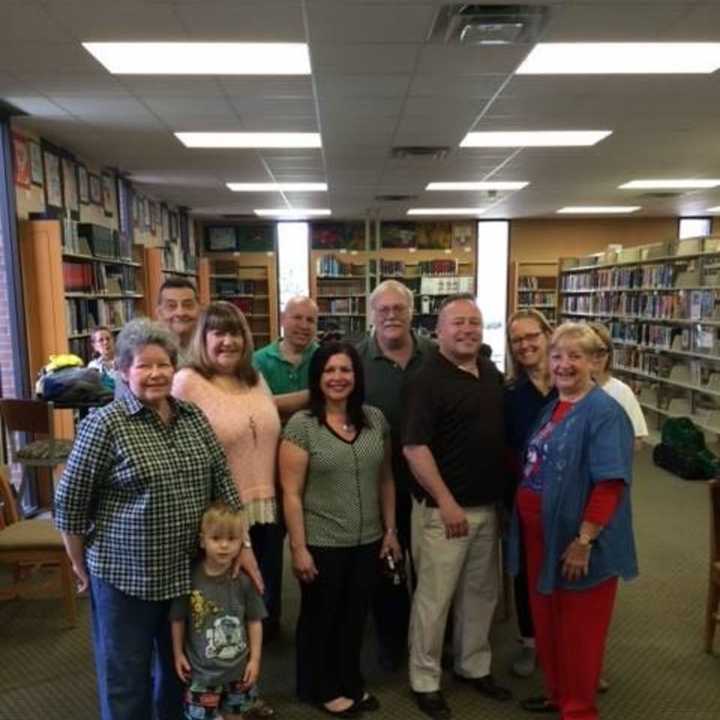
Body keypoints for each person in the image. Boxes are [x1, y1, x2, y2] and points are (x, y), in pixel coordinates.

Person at [54, 318, 259, 720]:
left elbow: (225, 486)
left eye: (163, 364)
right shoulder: (105, 425)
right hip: (125, 578)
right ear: (124, 370)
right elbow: (70, 506)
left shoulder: (193, 418)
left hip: (186, 576)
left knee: (181, 672)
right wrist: (80, 566)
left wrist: (245, 546)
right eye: (144, 365)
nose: (155, 373)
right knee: (126, 678)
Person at [507, 322, 638, 719]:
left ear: (597, 362)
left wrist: (584, 540)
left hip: (578, 543)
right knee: (548, 623)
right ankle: (556, 693)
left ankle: (578, 708)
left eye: (575, 356)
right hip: (540, 537)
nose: (563, 365)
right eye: (557, 355)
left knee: (579, 631)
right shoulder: (557, 404)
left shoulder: (604, 412)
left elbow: (610, 484)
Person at [402, 294, 511, 720]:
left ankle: (473, 665)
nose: (467, 330)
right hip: (443, 512)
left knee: (480, 595)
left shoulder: (489, 373)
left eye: (474, 322)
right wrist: (446, 502)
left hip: (487, 507)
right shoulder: (425, 378)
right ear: (439, 331)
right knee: (435, 599)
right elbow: (414, 447)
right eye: (458, 323)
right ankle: (425, 680)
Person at [279, 341, 401, 717]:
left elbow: (386, 481)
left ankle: (350, 680)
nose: (337, 378)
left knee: (354, 615)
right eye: (329, 370)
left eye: (345, 370)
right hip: (321, 540)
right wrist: (298, 547)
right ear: (317, 378)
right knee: (321, 616)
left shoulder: (374, 420)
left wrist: (391, 531)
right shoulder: (302, 426)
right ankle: (318, 686)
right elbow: (291, 493)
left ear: (356, 375)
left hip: (367, 539)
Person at [173, 301, 280, 710]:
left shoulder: (255, 379)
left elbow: (268, 423)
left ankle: (246, 694)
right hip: (223, 523)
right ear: (203, 338)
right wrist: (238, 539)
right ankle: (209, 699)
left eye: (235, 332)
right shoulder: (188, 382)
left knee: (254, 606)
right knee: (219, 617)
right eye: (217, 332)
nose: (228, 340)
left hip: (266, 511)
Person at [356, 279, 436, 670]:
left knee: (430, 566)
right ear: (372, 315)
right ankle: (391, 641)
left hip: (432, 483)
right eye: (383, 310)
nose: (390, 316)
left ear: (411, 312)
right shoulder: (356, 360)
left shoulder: (436, 355)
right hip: (376, 484)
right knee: (386, 565)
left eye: (398, 309)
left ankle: (430, 640)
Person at [253, 295, 319, 637]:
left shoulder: (323, 357)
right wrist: (313, 395)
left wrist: (274, 404)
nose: (303, 326)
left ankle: (316, 615)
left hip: (316, 466)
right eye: (297, 318)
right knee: (268, 548)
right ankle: (268, 617)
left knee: (315, 542)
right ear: (282, 318)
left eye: (310, 320)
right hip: (266, 467)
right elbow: (253, 407)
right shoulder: (258, 360)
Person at [171, 503, 267, 720]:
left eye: (232, 539)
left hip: (238, 671)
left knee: (236, 716)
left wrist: (255, 659)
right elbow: (177, 618)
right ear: (203, 540)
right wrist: (177, 653)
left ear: (241, 542)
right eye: (216, 539)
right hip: (201, 672)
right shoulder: (189, 579)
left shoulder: (243, 580)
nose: (224, 546)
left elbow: (254, 620)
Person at [504, 309, 556, 678]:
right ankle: (530, 643)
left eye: (531, 336)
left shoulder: (573, 384)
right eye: (517, 340)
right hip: (526, 496)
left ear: (548, 334)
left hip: (569, 496)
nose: (525, 345)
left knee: (571, 573)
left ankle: (574, 649)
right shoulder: (511, 394)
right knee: (526, 570)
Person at [588, 321, 648, 448]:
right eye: (589, 350)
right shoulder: (569, 389)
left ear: (609, 354)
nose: (595, 357)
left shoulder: (622, 392)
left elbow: (638, 439)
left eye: (601, 351)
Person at [156, 276, 201, 364]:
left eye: (188, 305)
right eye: (171, 306)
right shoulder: (148, 350)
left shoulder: (211, 347)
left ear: (199, 310)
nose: (180, 313)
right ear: (159, 313)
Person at [87, 326, 119, 391]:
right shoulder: (93, 366)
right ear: (95, 346)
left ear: (113, 341)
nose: (105, 342)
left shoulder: (125, 360)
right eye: (101, 340)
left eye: (108, 339)